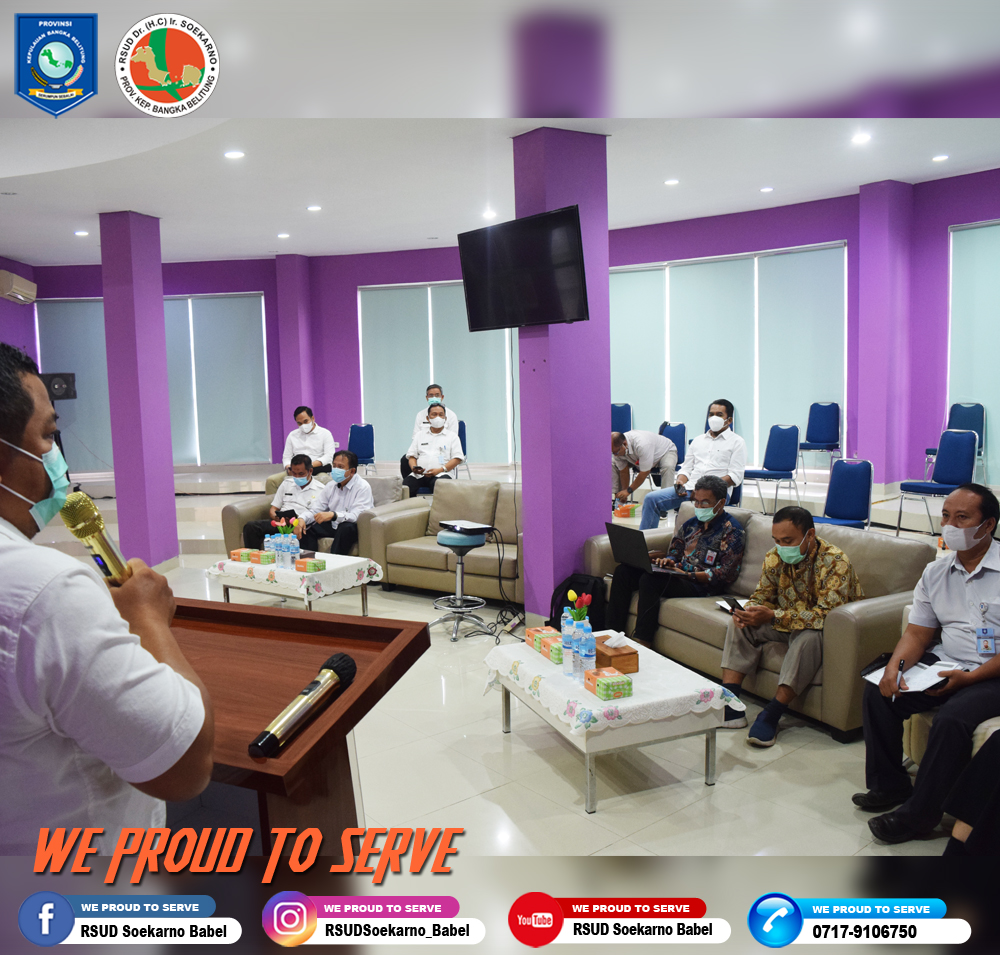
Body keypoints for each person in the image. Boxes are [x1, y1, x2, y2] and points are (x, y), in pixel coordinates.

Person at [0, 342, 213, 854]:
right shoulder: (42, 592)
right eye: (48, 435)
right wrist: (148, 618)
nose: (56, 457)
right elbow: (185, 765)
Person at [854, 483, 1000, 845]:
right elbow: (918, 634)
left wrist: (970, 679)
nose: (950, 525)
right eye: (946, 516)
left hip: (991, 674)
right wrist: (896, 667)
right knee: (880, 692)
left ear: (989, 525)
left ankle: (919, 817)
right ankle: (889, 786)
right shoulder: (936, 572)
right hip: (947, 661)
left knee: (952, 719)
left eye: (962, 517)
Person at [720, 505, 863, 746]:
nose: (782, 547)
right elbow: (762, 595)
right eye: (777, 541)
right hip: (784, 622)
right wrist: (750, 610)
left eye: (788, 541)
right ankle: (731, 703)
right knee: (740, 623)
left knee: (808, 636)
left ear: (810, 534)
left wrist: (773, 616)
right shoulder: (774, 556)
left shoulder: (835, 562)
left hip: (823, 631)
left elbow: (826, 616)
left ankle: (772, 714)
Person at [606, 475, 746, 643]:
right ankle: (611, 634)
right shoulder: (691, 524)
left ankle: (642, 641)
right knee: (623, 572)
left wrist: (687, 575)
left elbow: (726, 573)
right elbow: (675, 551)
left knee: (650, 580)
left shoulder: (732, 531)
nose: (699, 507)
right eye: (696, 502)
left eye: (705, 503)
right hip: (678, 574)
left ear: (721, 503)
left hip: (700, 585)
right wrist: (669, 561)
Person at [639, 399, 746, 530]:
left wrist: (705, 489)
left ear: (729, 420)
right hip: (690, 490)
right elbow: (686, 468)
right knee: (651, 499)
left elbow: (735, 476)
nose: (714, 418)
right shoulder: (698, 440)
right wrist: (680, 481)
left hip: (716, 493)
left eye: (719, 415)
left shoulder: (737, 442)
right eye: (711, 414)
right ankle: (646, 541)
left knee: (696, 509)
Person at [298, 450, 374, 554]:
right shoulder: (330, 485)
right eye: (334, 466)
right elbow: (316, 509)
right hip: (334, 524)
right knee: (307, 528)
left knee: (345, 527)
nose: (335, 470)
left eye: (340, 467)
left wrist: (334, 515)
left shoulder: (363, 487)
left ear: (352, 471)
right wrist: (302, 519)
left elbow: (357, 516)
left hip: (354, 527)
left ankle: (335, 560)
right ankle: (309, 559)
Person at [242, 454, 324, 550]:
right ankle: (253, 556)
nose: (297, 477)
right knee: (251, 527)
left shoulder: (321, 489)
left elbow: (317, 515)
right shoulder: (286, 484)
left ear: (310, 471)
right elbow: (274, 508)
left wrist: (299, 521)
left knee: (305, 533)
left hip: (302, 524)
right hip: (281, 523)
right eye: (294, 473)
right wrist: (277, 518)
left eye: (301, 474)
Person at [403, 403, 465, 496]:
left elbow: (457, 458)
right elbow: (412, 456)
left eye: (441, 415)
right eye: (434, 414)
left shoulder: (452, 437)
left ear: (445, 418)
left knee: (440, 486)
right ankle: (414, 505)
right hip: (420, 475)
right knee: (406, 486)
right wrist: (414, 468)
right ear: (428, 418)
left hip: (442, 474)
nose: (438, 417)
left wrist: (440, 470)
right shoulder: (420, 435)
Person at [400, 384, 459, 478]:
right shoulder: (420, 415)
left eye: (437, 395)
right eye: (431, 395)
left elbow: (453, 438)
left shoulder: (451, 415)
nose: (434, 398)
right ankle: (414, 479)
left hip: (443, 452)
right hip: (423, 449)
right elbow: (416, 437)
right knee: (405, 460)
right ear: (426, 397)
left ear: (442, 397)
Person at [611, 430, 678, 503]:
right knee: (613, 462)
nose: (615, 455)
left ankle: (666, 501)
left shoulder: (642, 444)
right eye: (612, 452)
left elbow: (644, 472)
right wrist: (624, 492)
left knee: (668, 466)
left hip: (665, 451)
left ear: (624, 444)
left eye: (616, 452)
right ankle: (617, 499)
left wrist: (628, 491)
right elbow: (624, 471)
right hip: (639, 456)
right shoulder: (617, 447)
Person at [282, 405, 336, 474]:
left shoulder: (325, 433)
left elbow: (329, 456)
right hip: (296, 471)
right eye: (299, 423)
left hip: (318, 469)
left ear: (312, 418)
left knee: (323, 478)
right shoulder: (292, 435)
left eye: (305, 421)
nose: (303, 425)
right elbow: (286, 457)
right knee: (272, 479)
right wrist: (289, 467)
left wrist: (308, 466)